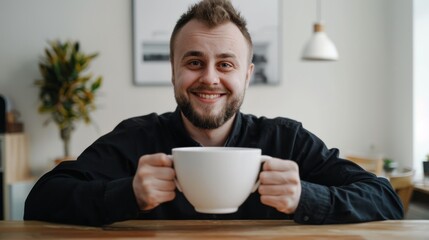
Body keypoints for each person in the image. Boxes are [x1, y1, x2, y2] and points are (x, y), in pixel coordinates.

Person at [24, 0, 403, 226]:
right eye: (194, 62)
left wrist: (307, 198)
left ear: (247, 75)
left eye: (225, 64)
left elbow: (385, 198)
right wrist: (129, 194)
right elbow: (41, 200)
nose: (209, 78)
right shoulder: (136, 139)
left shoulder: (286, 140)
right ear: (173, 70)